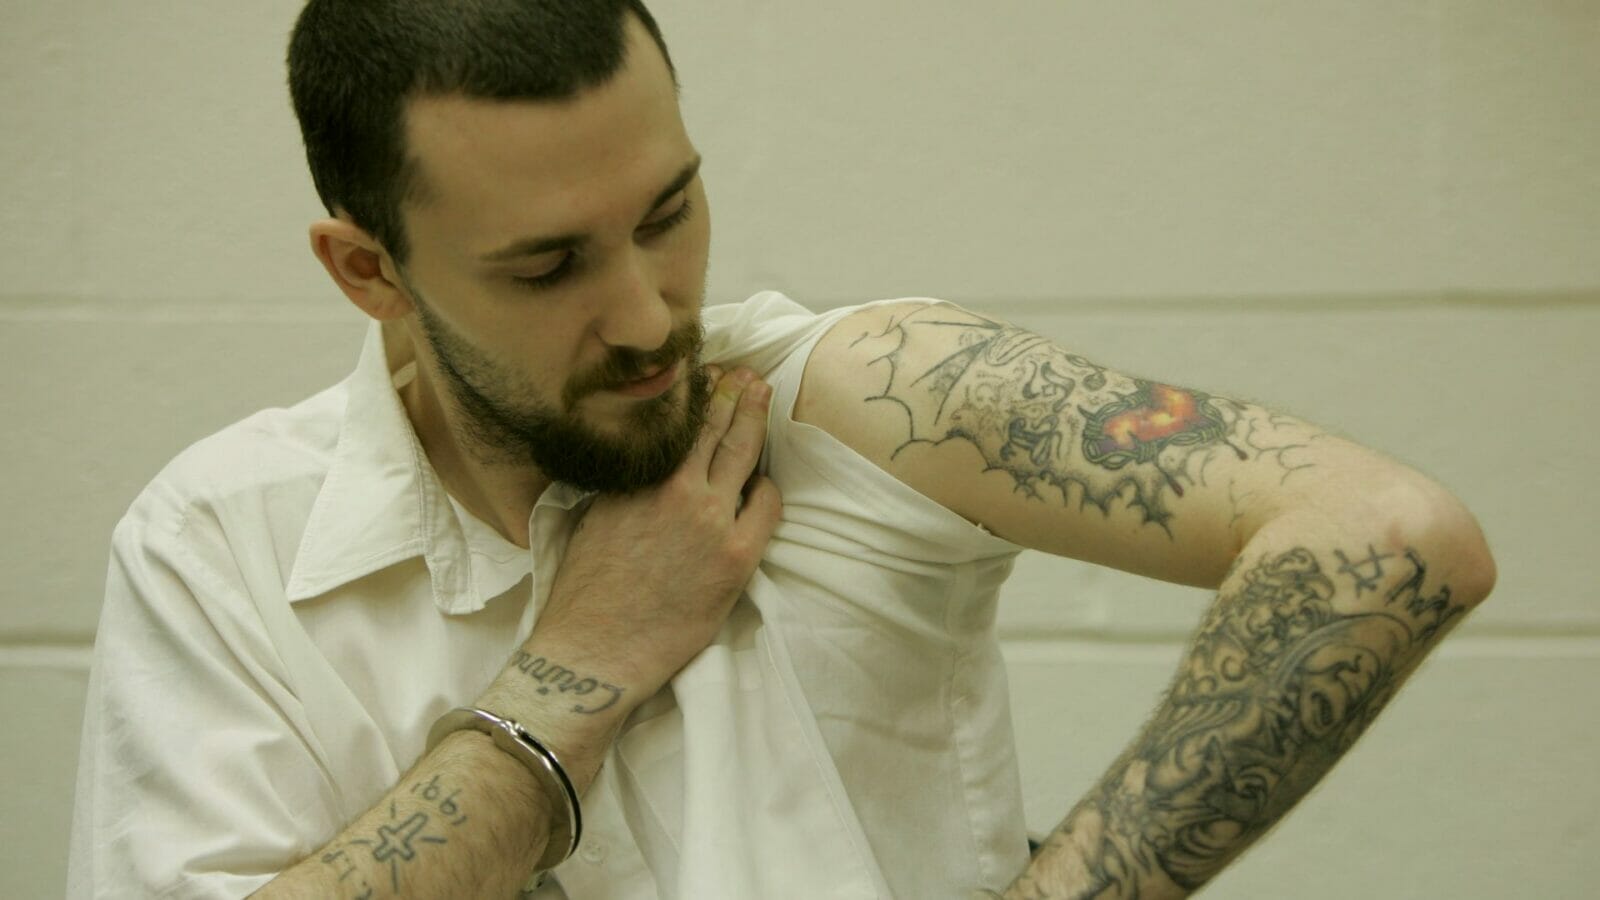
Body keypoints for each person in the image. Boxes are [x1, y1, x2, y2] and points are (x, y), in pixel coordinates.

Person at [66, 1, 1497, 898]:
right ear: (368, 269)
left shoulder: (853, 394)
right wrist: (582, 673)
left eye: (669, 210)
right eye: (549, 264)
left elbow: (1385, 536)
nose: (646, 313)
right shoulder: (222, 544)